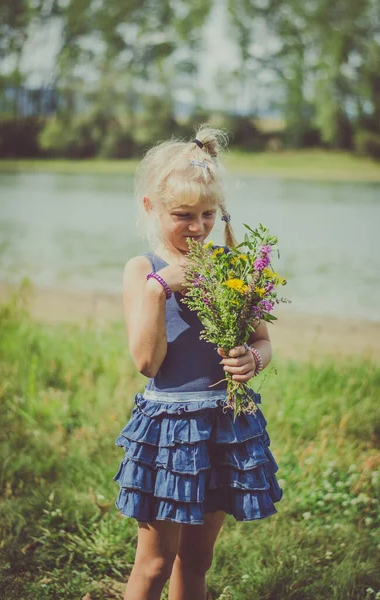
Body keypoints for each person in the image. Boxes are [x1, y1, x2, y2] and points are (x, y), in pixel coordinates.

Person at [113, 124, 283, 600]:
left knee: (197, 560)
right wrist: (159, 288)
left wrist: (253, 358)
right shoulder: (142, 269)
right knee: (154, 564)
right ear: (151, 206)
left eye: (208, 214)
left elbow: (263, 341)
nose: (198, 228)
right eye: (183, 215)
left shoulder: (231, 266)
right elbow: (147, 363)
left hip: (225, 425)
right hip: (170, 429)